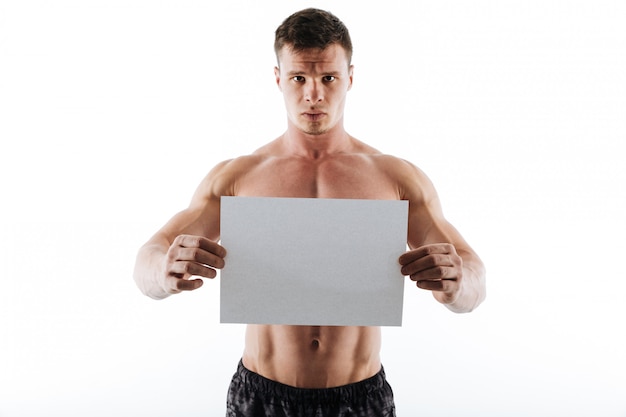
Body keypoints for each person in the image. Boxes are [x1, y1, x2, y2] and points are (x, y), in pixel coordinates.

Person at [133, 7, 486, 417]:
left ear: (351, 78)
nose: (313, 94)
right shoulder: (237, 176)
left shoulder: (396, 178)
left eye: (328, 78)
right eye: (299, 77)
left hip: (359, 396)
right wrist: (162, 270)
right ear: (278, 78)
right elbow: (147, 260)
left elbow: (473, 276)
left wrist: (459, 285)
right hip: (262, 395)